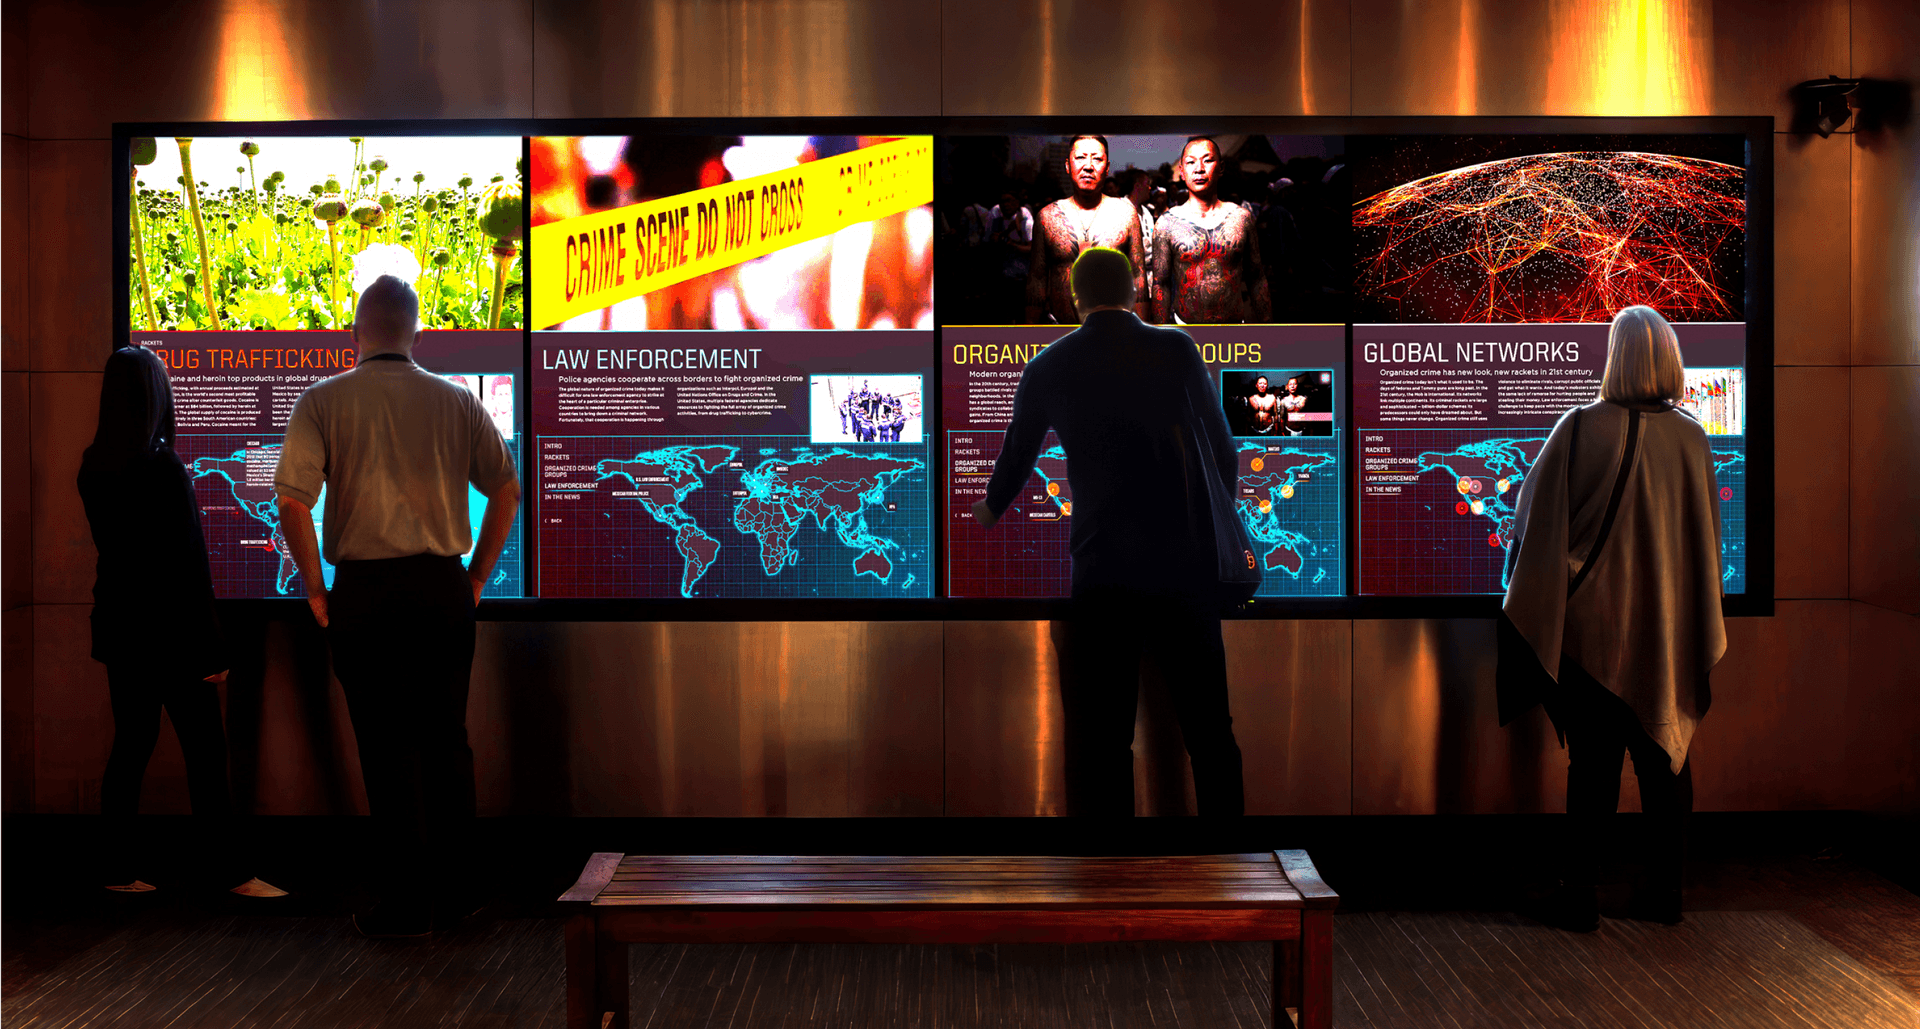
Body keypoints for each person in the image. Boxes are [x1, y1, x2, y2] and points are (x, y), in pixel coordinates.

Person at [274, 273, 520, 938]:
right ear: (419, 334)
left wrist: (315, 587)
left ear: (355, 334)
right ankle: (460, 894)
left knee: (385, 749)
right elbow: (506, 489)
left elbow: (292, 500)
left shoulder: (323, 400)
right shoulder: (457, 400)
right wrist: (475, 577)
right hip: (441, 589)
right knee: (446, 741)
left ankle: (407, 906)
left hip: (365, 593)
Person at [972, 248, 1245, 816]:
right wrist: (1216, 519)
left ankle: (1115, 860)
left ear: (1073, 297)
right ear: (1135, 289)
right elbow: (1223, 448)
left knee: (1107, 739)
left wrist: (986, 513)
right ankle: (1231, 856)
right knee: (1210, 733)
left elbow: (1016, 460)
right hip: (1183, 568)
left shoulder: (1049, 365)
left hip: (1104, 572)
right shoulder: (1176, 349)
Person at [1498, 305, 1726, 931]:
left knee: (1593, 766)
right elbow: (1706, 545)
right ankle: (1667, 893)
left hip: (1591, 632)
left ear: (1615, 358)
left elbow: (1530, 523)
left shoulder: (1579, 427)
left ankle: (1579, 895)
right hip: (1666, 632)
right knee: (1666, 759)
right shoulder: (1693, 439)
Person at [77, 346, 285, 900]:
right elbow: (188, 565)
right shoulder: (162, 467)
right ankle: (230, 872)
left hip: (121, 627)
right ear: (156, 397)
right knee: (206, 753)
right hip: (171, 635)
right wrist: (213, 650)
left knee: (131, 745)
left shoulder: (94, 465)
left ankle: (116, 869)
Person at [1027, 136, 1146, 324]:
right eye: (1080, 157)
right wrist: (1028, 334)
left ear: (1107, 167)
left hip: (1114, 329)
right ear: (1068, 165)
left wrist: (1143, 333)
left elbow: (1138, 276)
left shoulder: (1126, 214)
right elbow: (1037, 280)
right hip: (1062, 331)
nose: (1088, 166)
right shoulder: (1047, 217)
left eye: (1097, 159)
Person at [1152, 137, 1271, 325]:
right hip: (1185, 328)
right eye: (1191, 162)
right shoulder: (1166, 223)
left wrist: (1268, 326)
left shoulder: (1241, 218)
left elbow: (1256, 276)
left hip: (1233, 328)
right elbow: (1161, 283)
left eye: (1207, 160)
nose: (1199, 169)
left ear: (1221, 167)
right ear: (1181, 171)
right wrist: (1160, 331)